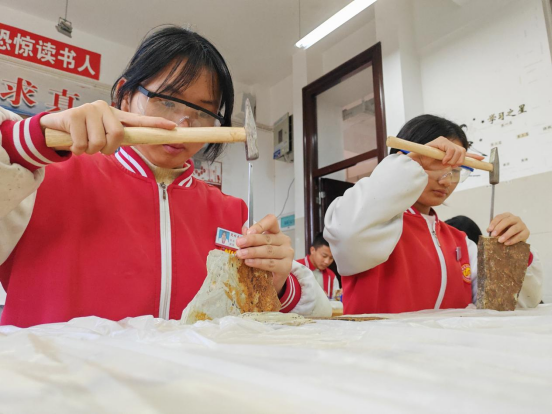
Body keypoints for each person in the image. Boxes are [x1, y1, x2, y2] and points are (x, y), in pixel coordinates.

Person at [0, 26, 330, 327]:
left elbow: (310, 316)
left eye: (202, 112)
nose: (182, 125)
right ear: (125, 95)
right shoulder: (37, 179)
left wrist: (278, 285)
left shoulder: (233, 214)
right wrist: (24, 141)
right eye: (168, 101)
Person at [324, 114, 543, 314]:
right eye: (436, 163)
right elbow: (346, 233)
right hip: (374, 345)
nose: (446, 180)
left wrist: (513, 253)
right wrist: (412, 163)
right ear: (405, 160)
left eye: (455, 171)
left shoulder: (461, 242)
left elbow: (499, 306)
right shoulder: (370, 226)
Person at [296, 233, 339, 300]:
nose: (327, 261)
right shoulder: (296, 268)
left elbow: (335, 300)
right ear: (312, 250)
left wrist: (339, 295)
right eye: (324, 256)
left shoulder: (331, 276)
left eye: (331, 258)